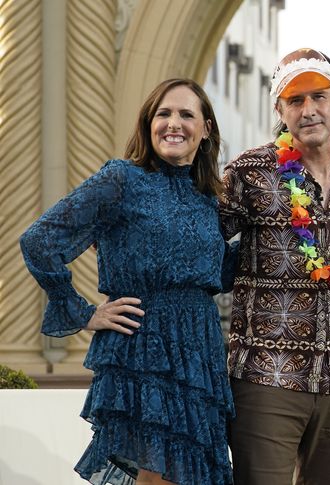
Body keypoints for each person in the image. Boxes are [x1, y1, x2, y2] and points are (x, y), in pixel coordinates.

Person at [20, 78, 235, 485]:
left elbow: (214, 274)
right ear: (147, 124)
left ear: (205, 129)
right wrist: (83, 313)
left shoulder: (208, 197)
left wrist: (279, 238)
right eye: (163, 114)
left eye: (186, 114)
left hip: (200, 350)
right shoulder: (122, 179)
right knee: (156, 477)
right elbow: (40, 241)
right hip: (145, 347)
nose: (174, 123)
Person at [219, 48, 330, 485]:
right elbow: (198, 245)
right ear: (279, 109)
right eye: (295, 100)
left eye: (319, 97)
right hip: (267, 377)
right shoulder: (250, 172)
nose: (309, 110)